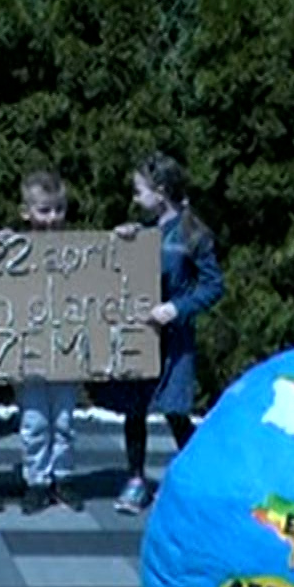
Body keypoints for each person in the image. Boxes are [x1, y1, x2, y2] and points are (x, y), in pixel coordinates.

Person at [108, 152, 226, 515]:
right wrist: (122, 239)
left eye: (139, 191)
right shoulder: (143, 233)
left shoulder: (193, 234)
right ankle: (135, 479)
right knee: (135, 408)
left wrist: (176, 309)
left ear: (161, 192)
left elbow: (213, 286)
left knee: (175, 411)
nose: (134, 198)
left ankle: (197, 478)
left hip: (174, 339)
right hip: (141, 335)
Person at [9, 170, 82, 514]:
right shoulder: (14, 250)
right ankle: (36, 479)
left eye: (57, 209)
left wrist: (127, 241)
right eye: (43, 210)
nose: (52, 218)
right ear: (27, 212)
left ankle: (63, 477)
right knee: (35, 422)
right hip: (29, 355)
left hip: (66, 351)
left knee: (65, 421)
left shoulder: (81, 252)